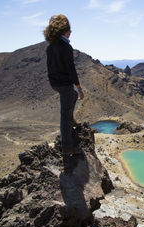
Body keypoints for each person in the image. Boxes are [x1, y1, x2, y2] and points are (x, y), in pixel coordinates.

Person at [44, 14, 84, 159]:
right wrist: (79, 88)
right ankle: (67, 147)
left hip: (54, 83)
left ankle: (70, 118)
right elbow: (71, 69)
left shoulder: (51, 47)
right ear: (64, 31)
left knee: (71, 98)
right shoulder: (66, 47)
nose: (71, 33)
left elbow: (49, 67)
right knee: (65, 116)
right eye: (70, 30)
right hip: (64, 84)